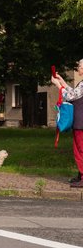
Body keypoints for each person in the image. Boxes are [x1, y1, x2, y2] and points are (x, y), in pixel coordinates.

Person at [51, 59, 83, 188]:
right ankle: (81, 175)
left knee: (80, 150)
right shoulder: (81, 84)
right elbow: (73, 93)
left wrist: (58, 86)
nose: (78, 68)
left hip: (81, 123)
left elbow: (70, 97)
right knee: (79, 149)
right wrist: (61, 80)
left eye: (80, 66)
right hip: (79, 122)